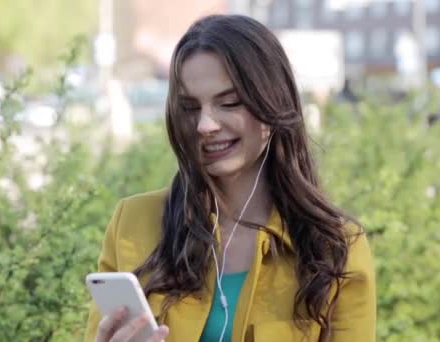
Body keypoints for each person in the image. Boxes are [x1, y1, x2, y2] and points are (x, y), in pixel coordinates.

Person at [84, 14, 376, 342]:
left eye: (229, 102)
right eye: (190, 107)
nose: (205, 125)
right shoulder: (132, 225)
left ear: (273, 103)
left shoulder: (336, 248)